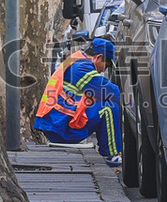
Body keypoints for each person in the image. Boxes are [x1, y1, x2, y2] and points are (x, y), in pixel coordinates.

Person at [34, 36, 122, 167]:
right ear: (98, 57)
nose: (104, 70)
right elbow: (110, 91)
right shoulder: (82, 68)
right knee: (109, 107)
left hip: (57, 124)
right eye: (106, 65)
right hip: (62, 129)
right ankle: (112, 155)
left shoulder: (75, 59)